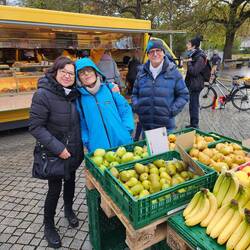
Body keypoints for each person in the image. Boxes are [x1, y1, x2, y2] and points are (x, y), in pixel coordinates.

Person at [29, 56, 84, 248]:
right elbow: (35, 127)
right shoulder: (43, 95)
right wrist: (59, 148)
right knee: (54, 189)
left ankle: (69, 210)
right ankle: (49, 225)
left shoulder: (74, 93)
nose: (68, 76)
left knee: (71, 181)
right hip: (55, 153)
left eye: (71, 73)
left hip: (74, 151)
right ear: (55, 72)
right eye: (64, 72)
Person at [75, 57, 134, 152]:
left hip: (123, 144)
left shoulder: (110, 89)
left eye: (89, 70)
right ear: (79, 78)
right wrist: (88, 142)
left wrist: (126, 131)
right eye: (82, 72)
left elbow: (125, 110)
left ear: (95, 72)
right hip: (99, 149)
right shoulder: (79, 99)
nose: (86, 74)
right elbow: (81, 124)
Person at [132, 39, 189, 133]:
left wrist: (171, 111)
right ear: (148, 55)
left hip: (166, 128)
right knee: (147, 148)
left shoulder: (173, 72)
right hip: (146, 127)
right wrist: (138, 107)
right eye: (151, 51)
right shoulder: (141, 73)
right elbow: (134, 94)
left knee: (166, 148)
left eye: (158, 50)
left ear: (163, 53)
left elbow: (183, 95)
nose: (155, 54)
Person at [185, 36, 207, 128]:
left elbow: (194, 72)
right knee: (192, 104)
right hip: (193, 83)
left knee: (194, 105)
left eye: (189, 44)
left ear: (193, 46)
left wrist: (189, 62)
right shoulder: (194, 54)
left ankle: (194, 125)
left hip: (196, 84)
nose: (187, 45)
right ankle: (193, 123)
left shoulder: (200, 56)